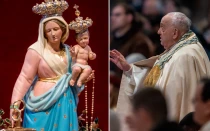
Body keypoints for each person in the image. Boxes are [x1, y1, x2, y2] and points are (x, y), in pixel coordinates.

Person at [110, 12, 210, 131]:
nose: (158, 32)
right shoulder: (178, 51)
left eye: (162, 28)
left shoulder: (185, 57)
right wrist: (130, 69)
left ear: (175, 33)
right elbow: (157, 80)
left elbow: (178, 101)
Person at [9, 1, 92, 131]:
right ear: (43, 32)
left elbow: (74, 76)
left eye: (56, 29)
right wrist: (15, 105)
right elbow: (25, 78)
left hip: (65, 100)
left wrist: (82, 78)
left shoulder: (68, 51)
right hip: (41, 102)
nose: (53, 34)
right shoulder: (36, 50)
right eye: (48, 30)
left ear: (63, 29)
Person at [69, 5, 96, 87]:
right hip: (77, 64)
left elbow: (90, 56)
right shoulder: (77, 47)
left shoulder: (88, 48)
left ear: (89, 38)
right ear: (77, 40)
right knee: (77, 69)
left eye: (85, 38)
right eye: (81, 39)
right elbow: (73, 57)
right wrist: (73, 53)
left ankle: (80, 80)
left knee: (88, 70)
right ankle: (73, 79)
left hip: (85, 65)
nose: (83, 41)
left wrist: (93, 55)